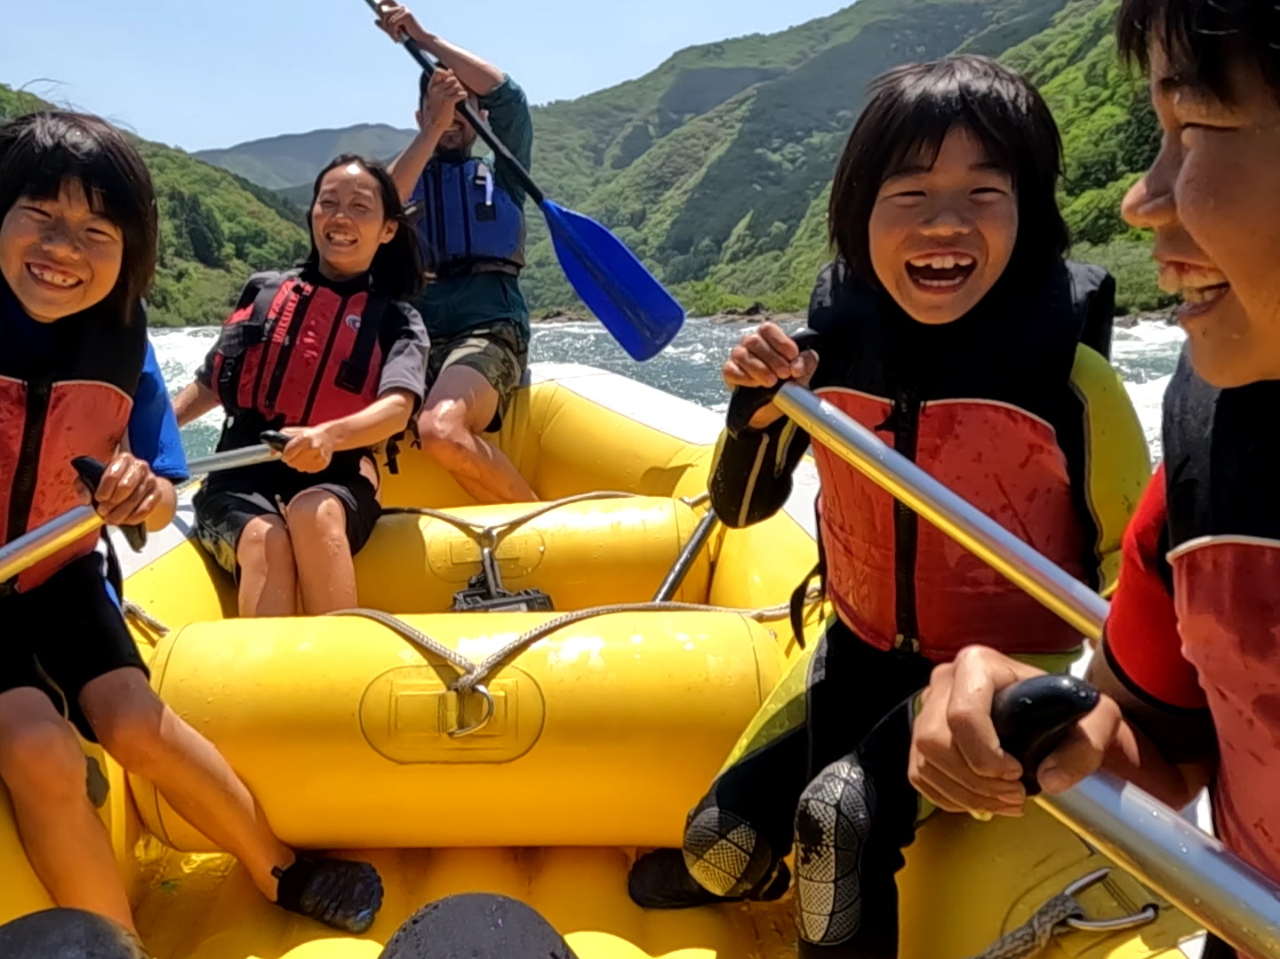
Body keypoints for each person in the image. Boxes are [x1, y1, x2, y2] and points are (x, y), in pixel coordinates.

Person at [626, 56, 1152, 958]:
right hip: (860, 648)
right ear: (858, 216)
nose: (944, 222)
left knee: (837, 819)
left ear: (1027, 215)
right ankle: (756, 871)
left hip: (1006, 670)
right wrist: (755, 413)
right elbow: (742, 507)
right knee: (720, 847)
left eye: (984, 192)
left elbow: (1135, 586)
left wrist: (1089, 707)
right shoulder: (823, 362)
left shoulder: (1074, 383)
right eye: (908, 194)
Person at [906, 3, 1280, 957]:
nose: (1141, 198)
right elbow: (1157, 736)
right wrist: (1042, 717)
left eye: (1194, 128)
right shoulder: (1214, 430)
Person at [0, 112, 383, 938]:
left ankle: (273, 860)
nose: (64, 247)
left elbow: (168, 495)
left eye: (96, 229)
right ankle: (113, 944)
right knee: (35, 744)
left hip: (60, 574)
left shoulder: (124, 341)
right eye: (40, 215)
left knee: (137, 721)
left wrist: (142, 494)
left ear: (129, 251)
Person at [173, 155, 428, 618]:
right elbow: (212, 383)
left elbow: (397, 408)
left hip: (340, 470)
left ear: (388, 229)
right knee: (264, 538)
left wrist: (328, 436)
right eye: (328, 203)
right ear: (311, 213)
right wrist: (143, 439)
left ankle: (332, 670)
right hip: (241, 469)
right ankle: (267, 682)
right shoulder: (265, 293)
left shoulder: (397, 319)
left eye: (359, 207)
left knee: (315, 513)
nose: (341, 217)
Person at [374, 0, 538, 504]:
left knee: (440, 429)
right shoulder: (393, 180)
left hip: (488, 327)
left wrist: (422, 38)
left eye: (463, 108)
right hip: (413, 339)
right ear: (421, 114)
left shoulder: (504, 174)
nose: (453, 119)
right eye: (441, 107)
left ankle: (538, 522)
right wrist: (434, 123)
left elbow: (509, 96)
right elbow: (377, 210)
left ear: (477, 116)